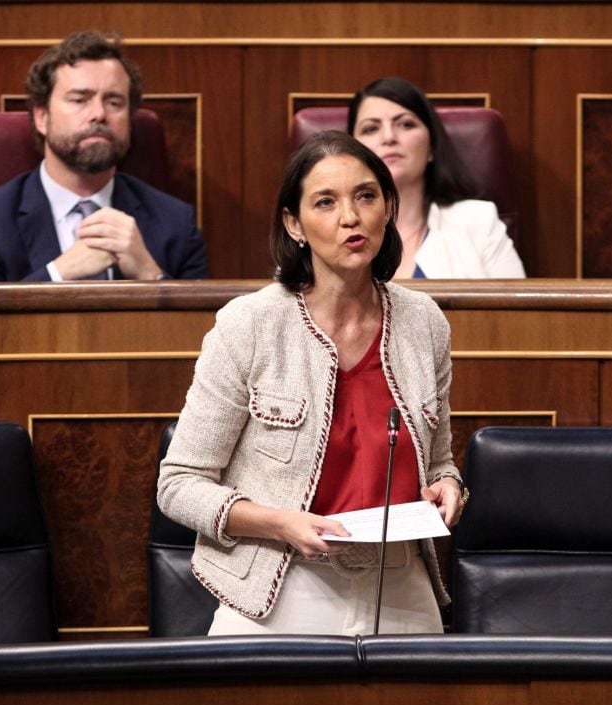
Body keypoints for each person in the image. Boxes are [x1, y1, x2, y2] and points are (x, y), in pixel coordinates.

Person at [157, 131, 467, 636]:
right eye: (326, 202)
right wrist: (283, 523)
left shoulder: (423, 322)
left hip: (401, 585)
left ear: (388, 208)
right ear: (294, 224)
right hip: (280, 583)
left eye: (366, 196)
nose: (351, 217)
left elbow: (438, 461)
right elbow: (179, 486)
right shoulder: (250, 324)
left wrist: (449, 487)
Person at [0, 31, 209, 283]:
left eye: (114, 102)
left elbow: (205, 327)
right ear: (42, 117)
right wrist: (58, 274)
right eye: (79, 100)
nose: (98, 113)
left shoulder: (177, 222)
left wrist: (151, 276)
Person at [348, 77, 525, 279]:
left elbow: (516, 311)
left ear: (432, 146)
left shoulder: (478, 222)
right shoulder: (336, 228)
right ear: (352, 153)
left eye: (405, 124)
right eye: (371, 128)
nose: (389, 137)